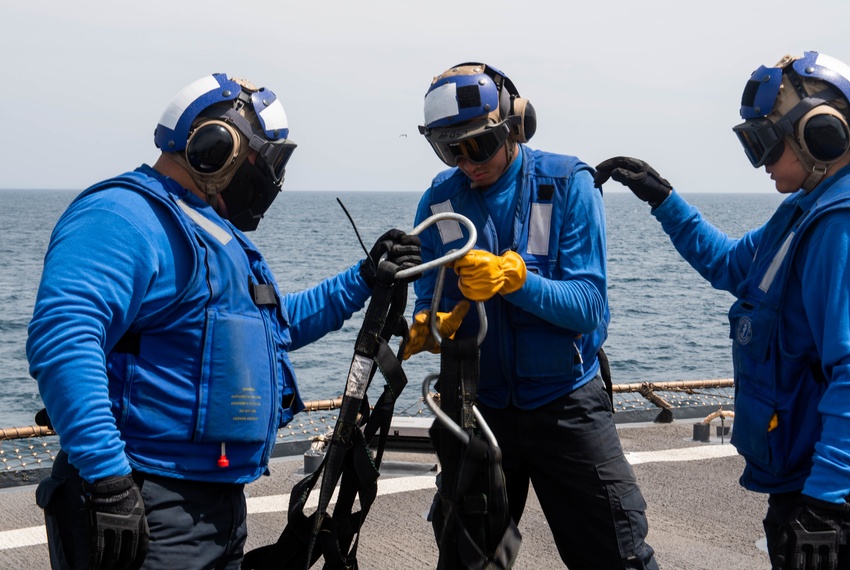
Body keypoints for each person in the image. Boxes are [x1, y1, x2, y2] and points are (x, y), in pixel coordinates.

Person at [26, 73, 421, 569]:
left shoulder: (211, 229)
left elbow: (275, 326)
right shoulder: (121, 216)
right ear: (219, 146)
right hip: (147, 495)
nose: (272, 178)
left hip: (213, 501)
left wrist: (364, 277)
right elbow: (64, 339)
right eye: (267, 160)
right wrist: (107, 480)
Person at [595, 51, 850, 569]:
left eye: (765, 144)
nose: (762, 162)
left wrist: (823, 502)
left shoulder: (848, 224)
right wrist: (662, 198)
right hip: (824, 474)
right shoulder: (808, 207)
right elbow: (732, 265)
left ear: (821, 135)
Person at [407, 62, 659, 569]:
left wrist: (516, 282)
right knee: (478, 558)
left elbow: (589, 307)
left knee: (617, 554)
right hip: (480, 409)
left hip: (565, 406)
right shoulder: (440, 199)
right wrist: (432, 323)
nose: (466, 162)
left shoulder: (568, 184)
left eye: (477, 145)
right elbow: (425, 297)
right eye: (449, 150)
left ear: (514, 126)